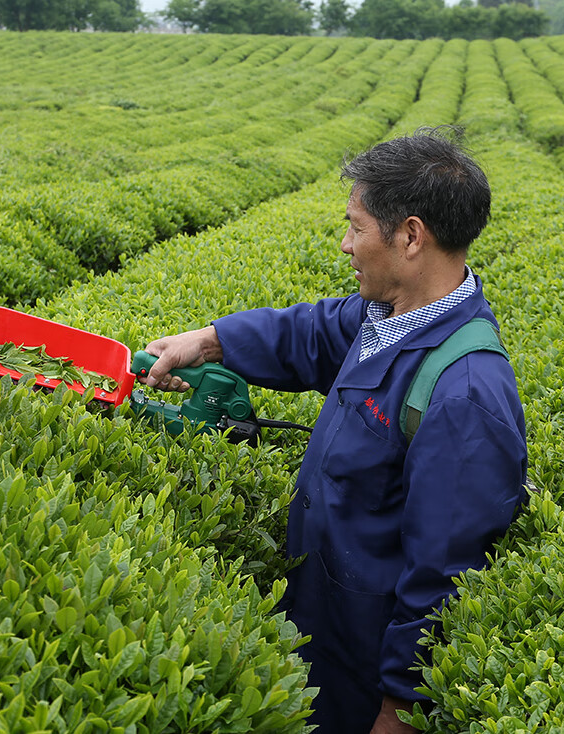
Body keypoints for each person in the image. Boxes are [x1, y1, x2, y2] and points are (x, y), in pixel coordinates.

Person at [142, 128, 527, 734]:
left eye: (355, 226)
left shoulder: (464, 394)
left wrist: (398, 710)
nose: (345, 245)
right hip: (319, 610)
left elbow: (444, 573)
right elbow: (309, 332)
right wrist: (207, 341)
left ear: (409, 236)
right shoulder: (387, 314)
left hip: (365, 656)